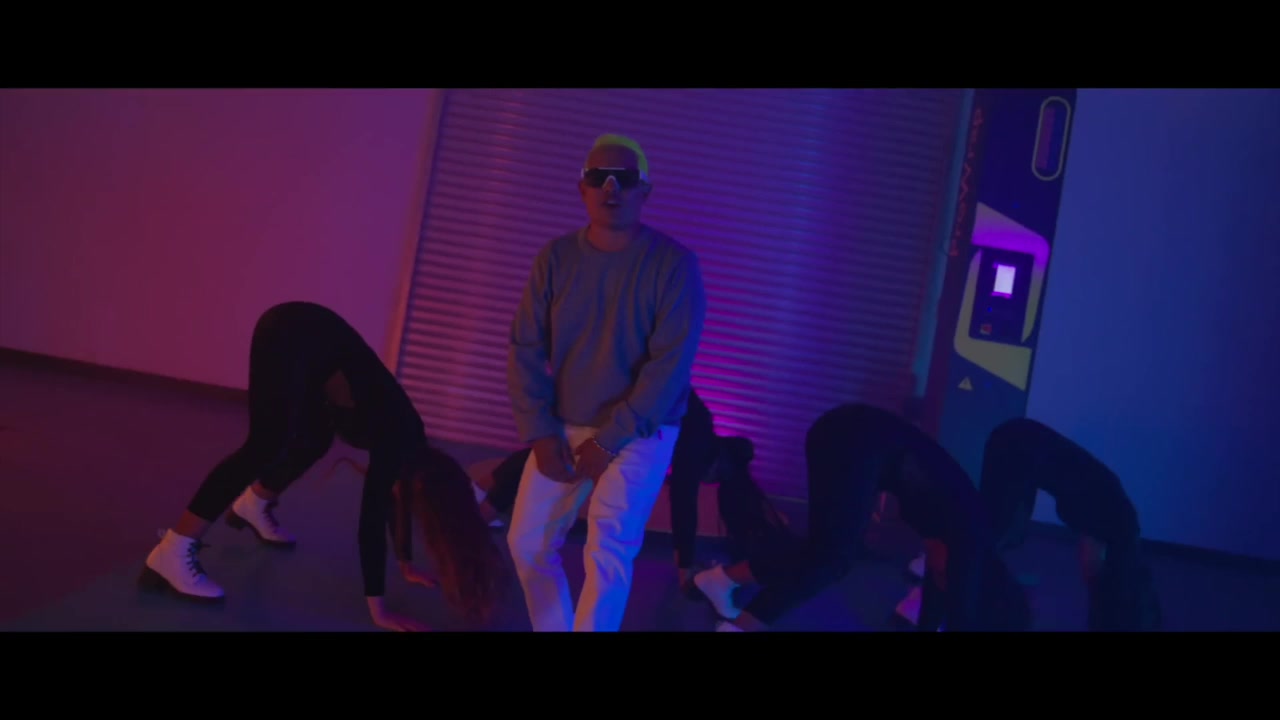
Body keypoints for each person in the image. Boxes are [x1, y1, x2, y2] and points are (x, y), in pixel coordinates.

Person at [136, 301, 508, 632]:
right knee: (263, 445)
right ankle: (175, 550)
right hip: (293, 333)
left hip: (311, 343)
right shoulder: (398, 436)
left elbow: (392, 503)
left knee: (314, 439)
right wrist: (378, 609)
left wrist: (405, 562)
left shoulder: (410, 451)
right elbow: (371, 518)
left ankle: (254, 504)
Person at [505, 133, 707, 632]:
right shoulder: (555, 258)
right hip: (565, 422)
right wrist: (540, 432)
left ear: (645, 191)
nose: (611, 188)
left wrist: (610, 439)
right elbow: (525, 347)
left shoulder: (674, 265)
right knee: (527, 543)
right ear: (582, 188)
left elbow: (669, 365)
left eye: (624, 179)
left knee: (608, 548)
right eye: (599, 178)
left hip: (642, 431)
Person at [692, 402, 1030, 632]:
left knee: (824, 552)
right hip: (852, 438)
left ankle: (721, 581)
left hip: (852, 435)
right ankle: (741, 625)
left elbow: (936, 600)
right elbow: (959, 617)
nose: (938, 578)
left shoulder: (965, 541)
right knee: (832, 560)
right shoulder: (971, 543)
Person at [476, 388, 752, 589]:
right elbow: (684, 499)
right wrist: (685, 568)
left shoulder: (698, 426)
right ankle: (480, 511)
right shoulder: (697, 439)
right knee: (559, 455)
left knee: (558, 451)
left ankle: (481, 495)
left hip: (620, 395)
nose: (707, 481)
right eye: (715, 477)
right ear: (721, 461)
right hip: (629, 404)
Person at [980, 417, 1162, 631]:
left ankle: (978, 591)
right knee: (996, 536)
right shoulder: (1116, 532)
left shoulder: (1120, 526)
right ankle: (978, 598)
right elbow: (1091, 563)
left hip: (1015, 440)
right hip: (1013, 445)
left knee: (1001, 533)